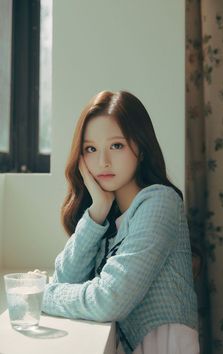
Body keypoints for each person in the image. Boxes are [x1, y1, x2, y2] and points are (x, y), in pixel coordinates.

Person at [42, 90, 200, 354]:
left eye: (116, 145)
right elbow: (66, 278)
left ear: (140, 147)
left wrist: (42, 295)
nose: (102, 161)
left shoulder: (160, 203)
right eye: (91, 149)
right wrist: (97, 212)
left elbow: (108, 300)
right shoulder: (109, 219)